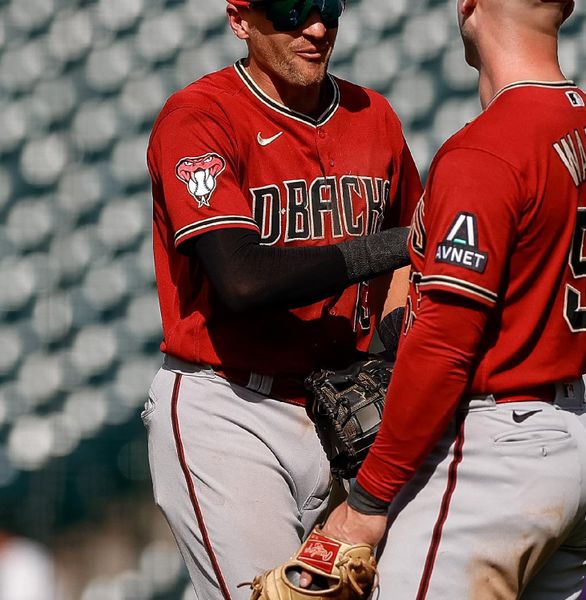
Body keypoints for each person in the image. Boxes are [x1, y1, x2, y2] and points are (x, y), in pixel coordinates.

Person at [321, 0, 586, 598]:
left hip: (500, 455)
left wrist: (365, 504)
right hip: (579, 443)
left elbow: (443, 344)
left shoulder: (486, 148)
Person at [143, 0, 422, 598]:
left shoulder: (374, 116)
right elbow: (242, 280)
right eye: (293, 10)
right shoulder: (200, 117)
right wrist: (391, 246)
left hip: (346, 407)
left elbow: (411, 260)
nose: (317, 28)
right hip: (231, 407)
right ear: (240, 20)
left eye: (329, 7)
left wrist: (388, 352)